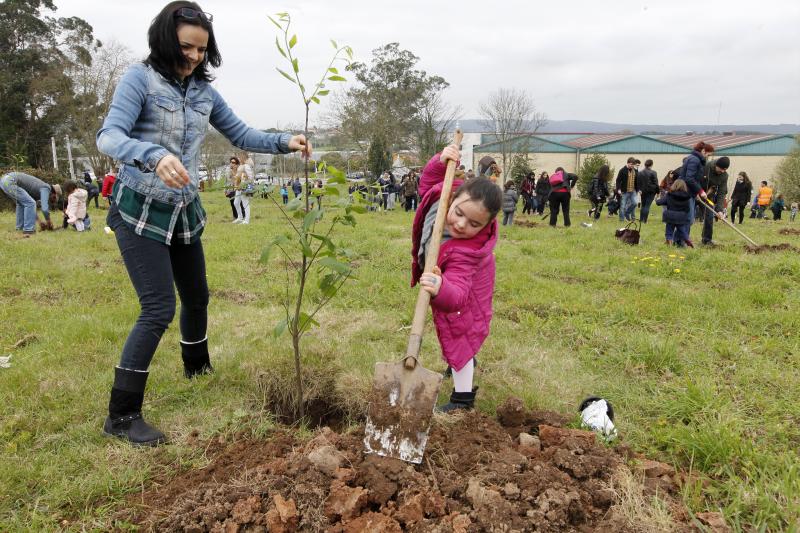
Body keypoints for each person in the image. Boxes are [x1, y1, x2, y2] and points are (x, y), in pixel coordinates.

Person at [95, 1, 311, 446]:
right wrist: (153, 156)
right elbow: (109, 136)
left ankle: (197, 368)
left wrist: (284, 141)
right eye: (185, 47)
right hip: (140, 206)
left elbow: (243, 135)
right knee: (158, 308)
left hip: (184, 209)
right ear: (164, 39)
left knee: (197, 297)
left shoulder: (204, 93)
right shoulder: (140, 79)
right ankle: (121, 416)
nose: (193, 57)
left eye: (200, 49)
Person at [411, 144, 501, 412]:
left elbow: (458, 296)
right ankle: (462, 365)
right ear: (455, 195)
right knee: (458, 340)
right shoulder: (442, 194)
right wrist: (440, 162)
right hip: (445, 276)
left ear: (485, 226)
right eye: (459, 213)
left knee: (460, 334)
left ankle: (463, 400)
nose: (462, 225)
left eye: (474, 224)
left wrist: (441, 288)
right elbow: (427, 183)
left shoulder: (468, 251)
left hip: (466, 288)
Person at [678, 141, 714, 237]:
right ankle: (680, 241)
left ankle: (683, 240)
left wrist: (696, 193)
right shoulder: (694, 160)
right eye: (708, 155)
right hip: (685, 192)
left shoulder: (696, 159)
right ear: (703, 151)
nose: (708, 157)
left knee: (689, 219)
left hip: (691, 192)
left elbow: (695, 179)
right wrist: (701, 191)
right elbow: (689, 178)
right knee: (688, 219)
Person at [656, 178, 693, 247]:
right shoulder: (687, 197)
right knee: (682, 230)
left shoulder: (669, 194)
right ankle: (687, 239)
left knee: (669, 231)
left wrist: (657, 200)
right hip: (681, 217)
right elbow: (687, 209)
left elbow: (659, 202)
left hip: (670, 216)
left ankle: (669, 242)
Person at [615, 157, 639, 222]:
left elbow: (637, 181)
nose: (632, 166)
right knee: (622, 206)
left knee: (635, 203)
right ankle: (621, 219)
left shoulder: (635, 171)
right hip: (625, 191)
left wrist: (638, 189)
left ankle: (627, 213)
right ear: (627, 163)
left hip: (633, 191)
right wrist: (618, 189)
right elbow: (618, 180)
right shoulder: (622, 170)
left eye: (633, 164)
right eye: (631, 164)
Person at [233, 152, 254, 224]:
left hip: (244, 186)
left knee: (245, 203)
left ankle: (247, 220)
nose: (239, 158)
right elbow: (238, 175)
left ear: (243, 158)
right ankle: (240, 217)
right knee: (236, 202)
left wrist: (245, 183)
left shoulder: (247, 166)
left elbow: (250, 177)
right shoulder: (241, 166)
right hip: (238, 187)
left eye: (240, 157)